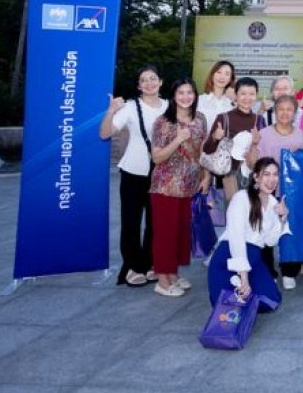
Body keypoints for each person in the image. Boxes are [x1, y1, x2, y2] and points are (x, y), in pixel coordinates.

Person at [100, 65, 167, 287]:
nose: (149, 83)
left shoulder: (169, 106)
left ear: (161, 82)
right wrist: (111, 111)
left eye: (153, 78)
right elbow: (104, 134)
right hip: (133, 171)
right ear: (139, 86)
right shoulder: (130, 107)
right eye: (144, 80)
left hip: (161, 174)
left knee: (156, 223)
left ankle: (150, 263)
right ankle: (132, 267)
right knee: (131, 221)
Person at [206, 157, 289, 312]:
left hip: (254, 258)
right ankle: (231, 293)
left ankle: (240, 297)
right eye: (267, 174)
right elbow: (236, 239)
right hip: (229, 257)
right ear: (256, 177)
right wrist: (243, 277)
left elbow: (270, 241)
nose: (272, 179)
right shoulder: (241, 198)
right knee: (231, 307)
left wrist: (282, 218)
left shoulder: (273, 204)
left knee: (272, 301)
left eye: (275, 174)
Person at [149, 78, 207, 297]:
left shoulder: (200, 119)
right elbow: (156, 157)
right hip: (166, 187)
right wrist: (177, 140)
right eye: (180, 93)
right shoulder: (163, 122)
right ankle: (162, 280)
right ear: (173, 96)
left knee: (180, 233)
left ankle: (172, 273)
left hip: (189, 186)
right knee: (165, 233)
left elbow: (202, 151)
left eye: (189, 92)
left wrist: (205, 176)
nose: (185, 97)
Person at [256, 93, 303, 290]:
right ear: (275, 112)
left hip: (291, 194)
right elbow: (256, 163)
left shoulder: (300, 135)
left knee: (289, 232)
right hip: (268, 192)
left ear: (295, 113)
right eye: (281, 109)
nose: (285, 113)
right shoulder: (263, 134)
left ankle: (289, 271)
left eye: (289, 109)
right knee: (266, 232)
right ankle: (268, 272)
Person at [202, 78, 264, 202]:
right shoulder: (224, 118)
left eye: (251, 94)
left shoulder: (260, 120)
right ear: (236, 95)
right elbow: (207, 150)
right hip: (230, 177)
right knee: (232, 215)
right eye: (243, 93)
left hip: (254, 176)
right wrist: (215, 138)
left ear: (256, 95)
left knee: (252, 217)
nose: (247, 98)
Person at [197, 60, 235, 135]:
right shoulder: (199, 100)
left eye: (227, 74)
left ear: (230, 79)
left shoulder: (232, 105)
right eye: (219, 72)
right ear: (212, 75)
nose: (222, 77)